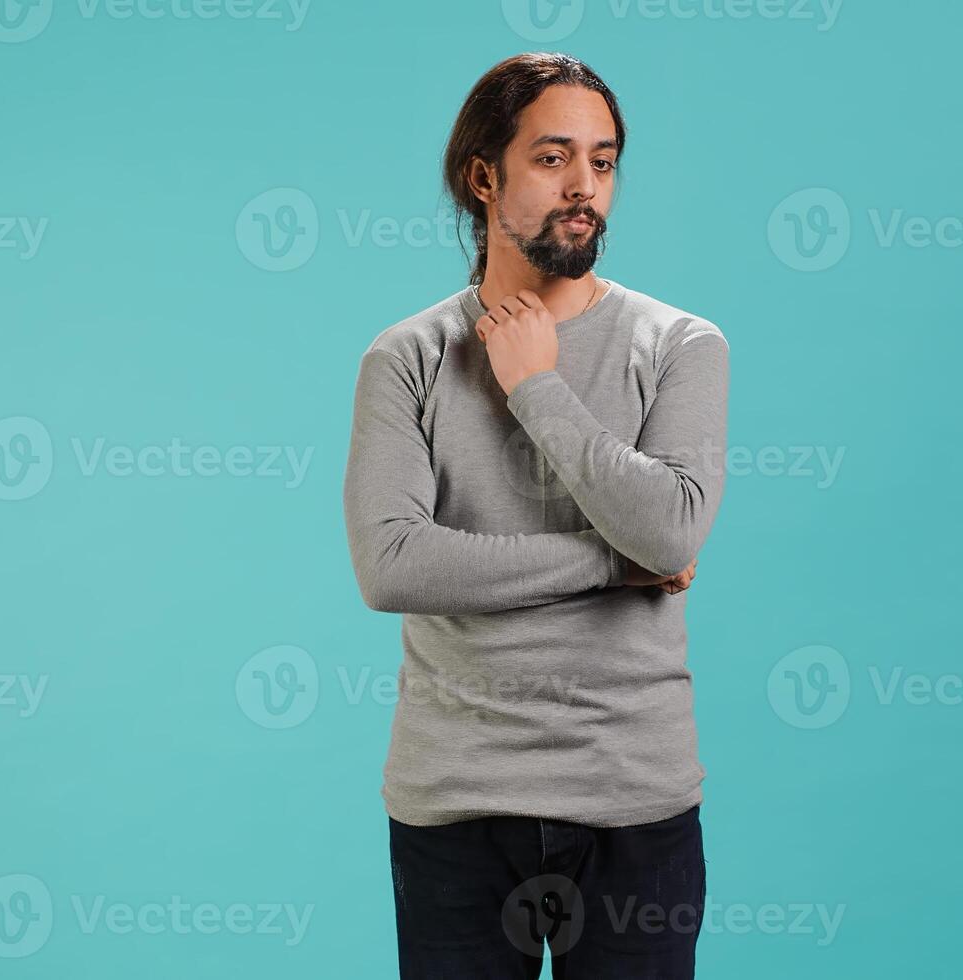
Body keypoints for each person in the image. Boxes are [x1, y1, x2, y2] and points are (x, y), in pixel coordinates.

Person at [340, 51, 730, 979]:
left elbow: (670, 532)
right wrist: (610, 562)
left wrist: (536, 384)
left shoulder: (680, 346)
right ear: (484, 176)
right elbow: (391, 565)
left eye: (602, 162)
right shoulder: (405, 359)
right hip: (454, 805)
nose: (584, 187)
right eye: (553, 158)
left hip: (633, 798)